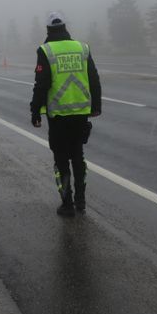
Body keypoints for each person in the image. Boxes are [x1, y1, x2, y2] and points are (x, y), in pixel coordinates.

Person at [30, 11, 102, 217]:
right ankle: (81, 201)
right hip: (80, 113)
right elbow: (94, 79)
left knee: (61, 160)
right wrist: (96, 106)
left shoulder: (45, 50)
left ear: (48, 29)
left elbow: (41, 84)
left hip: (58, 116)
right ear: (65, 27)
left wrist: (35, 111)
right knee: (78, 156)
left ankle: (67, 203)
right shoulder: (82, 48)